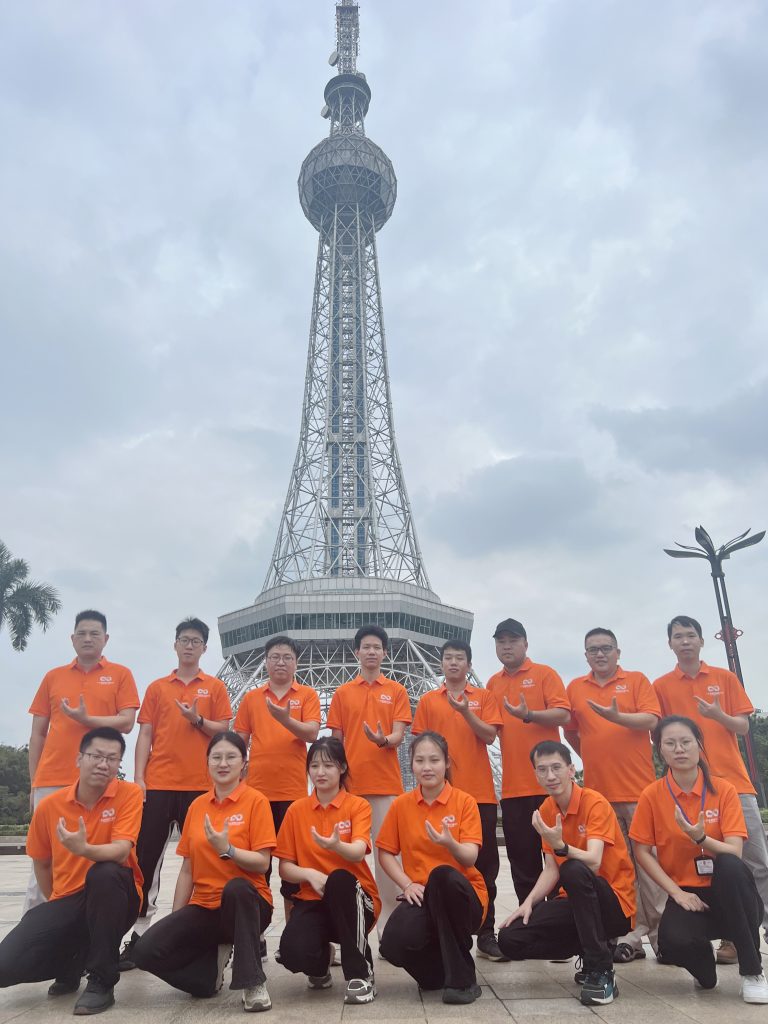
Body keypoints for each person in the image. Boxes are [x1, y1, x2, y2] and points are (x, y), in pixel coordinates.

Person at [0, 727, 143, 1015]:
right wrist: (57, 905)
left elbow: (120, 852)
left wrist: (83, 849)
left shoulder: (128, 794)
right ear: (79, 758)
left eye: (112, 759)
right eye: (96, 756)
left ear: (118, 764)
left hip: (117, 897)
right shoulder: (50, 806)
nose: (103, 764)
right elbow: (42, 862)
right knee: (6, 965)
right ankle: (72, 961)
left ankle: (101, 980)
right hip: (70, 898)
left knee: (105, 873)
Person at [132, 731, 277, 1012]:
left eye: (231, 757)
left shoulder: (256, 801)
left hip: (248, 906)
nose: (223, 763)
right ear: (207, 762)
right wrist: (177, 919)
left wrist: (229, 849)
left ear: (244, 764)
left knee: (237, 887)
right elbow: (187, 869)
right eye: (216, 757)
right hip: (205, 906)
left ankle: (252, 982)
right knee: (145, 951)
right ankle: (206, 976)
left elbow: (262, 863)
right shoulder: (197, 807)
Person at [653, 614, 768, 963]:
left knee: (755, 863)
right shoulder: (661, 686)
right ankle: (730, 937)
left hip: (734, 783)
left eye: (690, 635)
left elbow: (743, 726)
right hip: (688, 788)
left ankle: (760, 926)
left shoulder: (724, 678)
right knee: (709, 864)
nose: (685, 641)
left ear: (702, 641)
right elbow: (658, 736)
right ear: (670, 644)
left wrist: (718, 715)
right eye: (678, 636)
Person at [630, 715, 768, 1004]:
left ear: (698, 745)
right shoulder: (652, 795)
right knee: (671, 942)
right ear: (661, 750)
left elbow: (734, 852)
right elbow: (642, 850)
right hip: (688, 894)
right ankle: (703, 964)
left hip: (731, 893)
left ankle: (752, 971)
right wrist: (676, 893)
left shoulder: (723, 789)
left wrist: (700, 838)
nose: (679, 749)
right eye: (670, 743)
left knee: (730, 866)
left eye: (686, 742)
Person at [120, 617, 232, 967]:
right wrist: (139, 778)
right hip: (159, 784)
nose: (189, 645)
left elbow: (224, 732)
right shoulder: (157, 688)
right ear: (175, 645)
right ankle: (139, 934)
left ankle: (196, 929)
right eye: (184, 639)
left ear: (204, 648)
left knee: (203, 859)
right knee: (146, 859)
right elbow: (146, 735)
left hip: (200, 787)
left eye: (195, 641)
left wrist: (197, 720)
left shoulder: (215, 687)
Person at [497, 740, 636, 1007]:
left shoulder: (594, 803)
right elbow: (551, 869)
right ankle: (589, 947)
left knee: (573, 869)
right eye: (542, 770)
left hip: (613, 903)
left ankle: (601, 969)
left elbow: (593, 861)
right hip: (574, 902)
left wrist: (562, 846)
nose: (550, 776)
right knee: (509, 939)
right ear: (536, 775)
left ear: (571, 770)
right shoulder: (547, 810)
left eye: (556, 767)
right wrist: (528, 903)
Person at [26, 610, 139, 912]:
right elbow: (37, 733)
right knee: (45, 857)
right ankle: (41, 920)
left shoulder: (121, 674)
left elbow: (127, 722)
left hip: (99, 780)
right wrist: (34, 783)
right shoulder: (53, 677)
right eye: (82, 633)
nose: (88, 639)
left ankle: (91, 923)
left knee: (95, 857)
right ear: (72, 638)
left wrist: (88, 719)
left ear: (106, 639)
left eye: (94, 633)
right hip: (52, 778)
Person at [565, 627, 665, 963]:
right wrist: (595, 753)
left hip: (639, 792)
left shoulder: (636, 681)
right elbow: (572, 734)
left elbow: (651, 720)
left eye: (606, 648)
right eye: (593, 649)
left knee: (649, 866)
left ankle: (662, 937)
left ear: (618, 652)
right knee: (618, 869)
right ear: (585, 655)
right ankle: (629, 935)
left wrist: (616, 717)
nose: (600, 654)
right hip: (600, 796)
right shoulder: (575, 688)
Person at [376, 732, 488, 1005]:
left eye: (434, 760)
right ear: (411, 764)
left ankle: (463, 981)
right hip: (422, 896)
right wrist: (407, 884)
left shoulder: (464, 802)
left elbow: (470, 858)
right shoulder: (401, 805)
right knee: (392, 943)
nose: (427, 767)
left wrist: (450, 843)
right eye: (420, 760)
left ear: (447, 762)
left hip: (462, 896)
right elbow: (385, 853)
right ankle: (437, 974)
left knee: (441, 876)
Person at [411, 639, 504, 961]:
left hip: (479, 794)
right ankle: (443, 930)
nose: (453, 662)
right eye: (448, 657)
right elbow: (420, 746)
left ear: (469, 664)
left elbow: (490, 736)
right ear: (441, 664)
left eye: (459, 658)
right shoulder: (428, 701)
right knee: (439, 863)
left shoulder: (484, 697)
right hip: (439, 796)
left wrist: (466, 712)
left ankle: (486, 932)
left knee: (485, 867)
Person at [276, 737, 380, 1004]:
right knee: (292, 953)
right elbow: (285, 868)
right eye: (314, 766)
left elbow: (358, 851)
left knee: (340, 879)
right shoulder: (296, 811)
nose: (320, 772)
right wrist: (309, 874)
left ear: (342, 768)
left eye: (328, 765)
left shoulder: (357, 806)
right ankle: (321, 963)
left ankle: (361, 975)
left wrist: (337, 846)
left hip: (357, 902)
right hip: (314, 899)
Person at [235, 634, 320, 946]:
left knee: (292, 868)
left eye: (287, 657)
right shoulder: (251, 699)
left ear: (296, 663)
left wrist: (285, 720)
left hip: (294, 795)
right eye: (275, 656)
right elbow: (239, 743)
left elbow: (312, 733)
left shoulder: (307, 695)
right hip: (256, 796)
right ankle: (254, 936)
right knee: (257, 868)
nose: (281, 662)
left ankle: (296, 936)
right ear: (266, 661)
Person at [327, 624, 412, 936]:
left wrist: (381, 740)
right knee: (344, 857)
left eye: (377, 647)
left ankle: (390, 926)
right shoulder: (342, 693)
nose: (372, 651)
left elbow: (399, 735)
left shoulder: (397, 691)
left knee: (387, 857)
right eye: (366, 647)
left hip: (386, 785)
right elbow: (336, 741)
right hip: (350, 788)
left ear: (385, 653)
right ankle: (347, 926)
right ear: (357, 652)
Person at [486, 618, 570, 904]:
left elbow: (563, 714)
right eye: (501, 641)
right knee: (523, 865)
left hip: (550, 787)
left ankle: (560, 917)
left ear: (525, 644)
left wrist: (529, 714)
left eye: (513, 640)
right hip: (513, 789)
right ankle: (530, 918)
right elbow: (488, 731)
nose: (506, 646)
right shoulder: (492, 684)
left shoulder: (545, 674)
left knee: (559, 859)